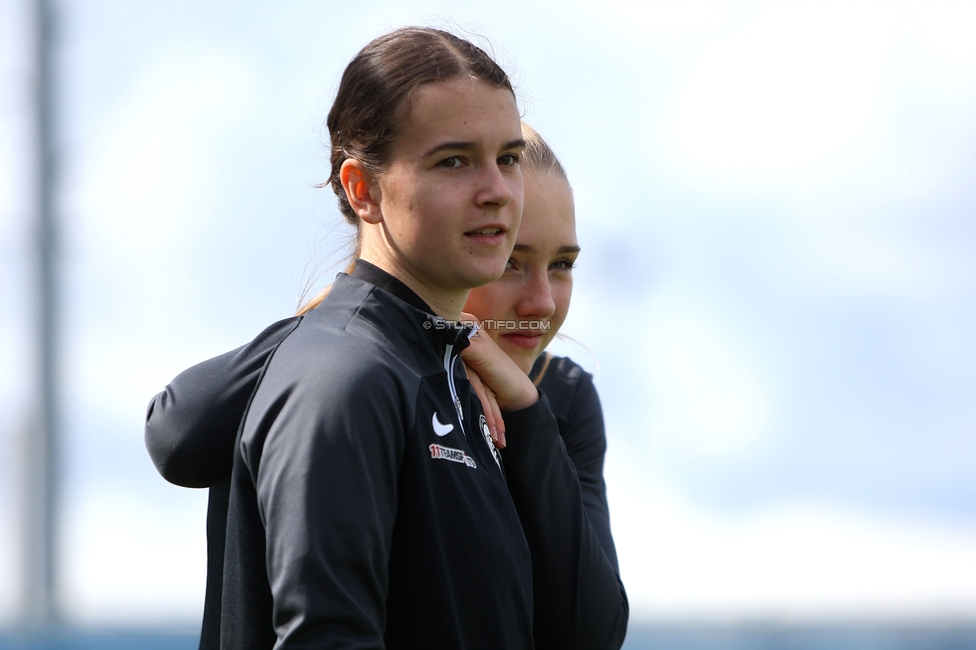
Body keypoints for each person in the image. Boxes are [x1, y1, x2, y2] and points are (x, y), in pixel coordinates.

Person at [147, 28, 626, 650]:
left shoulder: (506, 388)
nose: (497, 192)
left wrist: (523, 407)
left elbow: (588, 633)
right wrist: (340, 320)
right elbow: (177, 430)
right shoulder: (347, 374)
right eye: (454, 160)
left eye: (507, 158)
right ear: (362, 190)